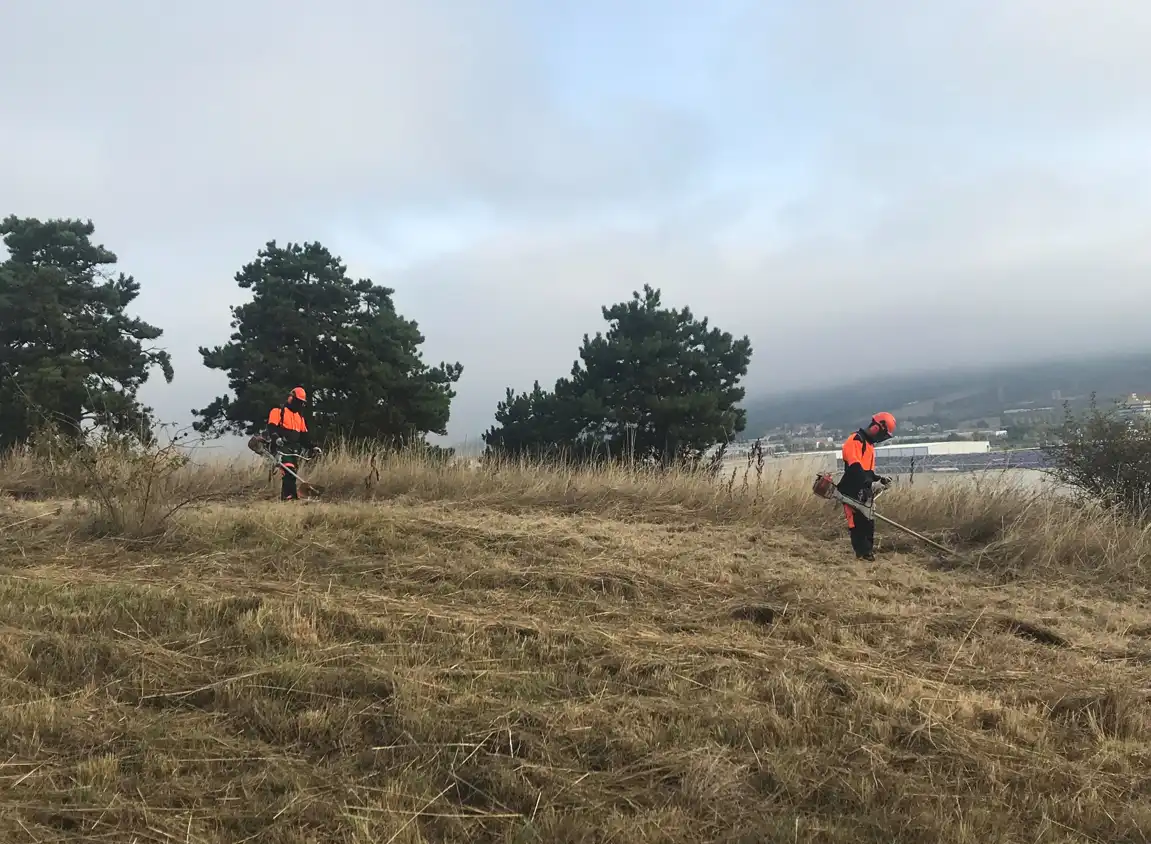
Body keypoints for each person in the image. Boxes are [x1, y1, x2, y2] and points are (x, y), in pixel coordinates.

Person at [836, 412, 896, 560]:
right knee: (856, 523)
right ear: (876, 428)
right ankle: (862, 554)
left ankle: (867, 553)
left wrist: (879, 479)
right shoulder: (855, 440)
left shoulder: (869, 446)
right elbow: (855, 468)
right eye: (883, 434)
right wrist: (869, 483)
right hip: (851, 489)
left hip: (864, 489)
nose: (881, 438)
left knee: (868, 521)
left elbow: (867, 472)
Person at [266, 386, 320, 501]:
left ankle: (290, 496)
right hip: (281, 447)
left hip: (293, 448)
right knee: (288, 470)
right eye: (299, 402)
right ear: (291, 399)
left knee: (292, 472)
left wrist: (312, 446)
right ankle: (289, 496)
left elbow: (303, 437)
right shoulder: (278, 411)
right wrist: (276, 438)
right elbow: (272, 428)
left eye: (302, 403)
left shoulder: (299, 417)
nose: (300, 405)